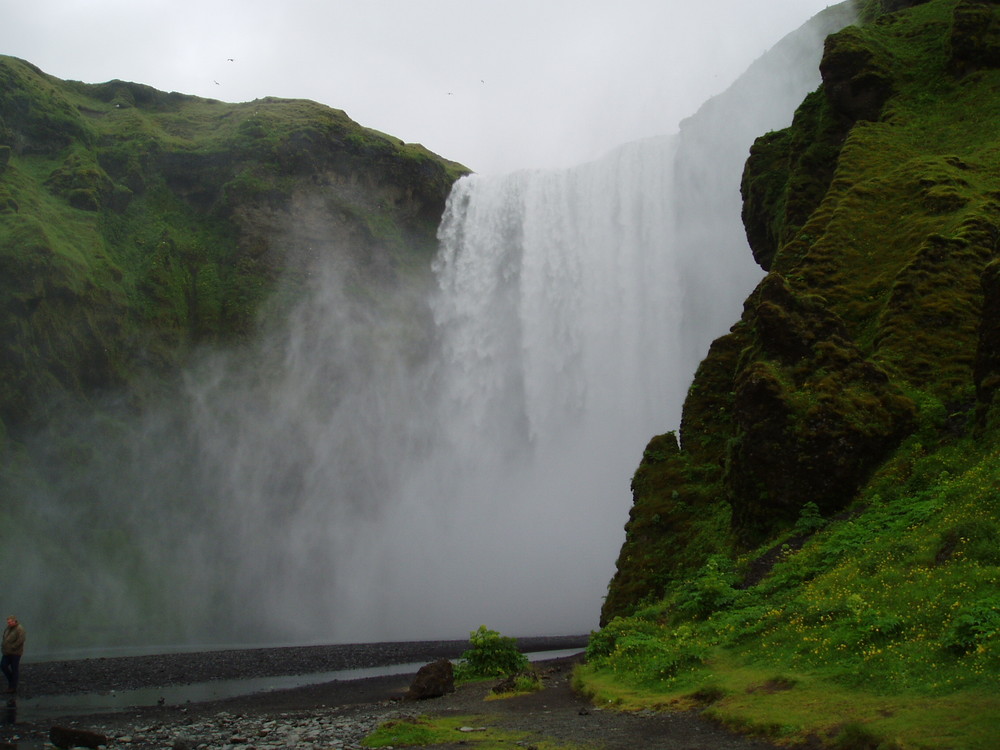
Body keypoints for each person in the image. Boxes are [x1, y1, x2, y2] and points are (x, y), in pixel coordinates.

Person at [1, 616, 25, 694]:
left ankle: (12, 687)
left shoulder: (19, 629)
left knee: (14, 669)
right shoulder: (8, 629)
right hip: (7, 652)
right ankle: (12, 681)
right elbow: (5, 638)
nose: (9, 623)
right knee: (3, 666)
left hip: (15, 653)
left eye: (11, 622)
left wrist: (13, 647)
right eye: (8, 622)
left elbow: (21, 640)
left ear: (15, 621)